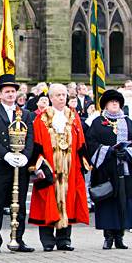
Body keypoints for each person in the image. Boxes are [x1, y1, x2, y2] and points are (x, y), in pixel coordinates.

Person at [27, 83, 89, 251]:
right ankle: (47, 242)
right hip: (50, 168)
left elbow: (81, 142)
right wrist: (39, 166)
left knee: (68, 202)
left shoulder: (73, 116)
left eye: (64, 95)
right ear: (51, 98)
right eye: (58, 95)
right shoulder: (42, 118)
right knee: (47, 202)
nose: (62, 98)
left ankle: (64, 240)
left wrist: (82, 163)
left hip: (70, 168)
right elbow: (36, 144)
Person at [0, 74, 35, 254]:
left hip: (19, 166)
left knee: (19, 205)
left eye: (13, 91)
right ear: (0, 94)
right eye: (7, 91)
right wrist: (5, 155)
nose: (11, 94)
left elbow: (30, 137)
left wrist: (26, 156)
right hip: (0, 165)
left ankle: (18, 239)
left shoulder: (26, 113)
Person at [87, 89, 132, 250]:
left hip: (125, 170)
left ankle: (120, 237)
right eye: (111, 102)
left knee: (124, 202)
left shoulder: (128, 122)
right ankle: (108, 237)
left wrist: (128, 152)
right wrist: (108, 151)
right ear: (106, 105)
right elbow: (91, 143)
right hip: (105, 171)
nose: (114, 103)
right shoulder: (97, 122)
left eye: (117, 102)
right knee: (107, 202)